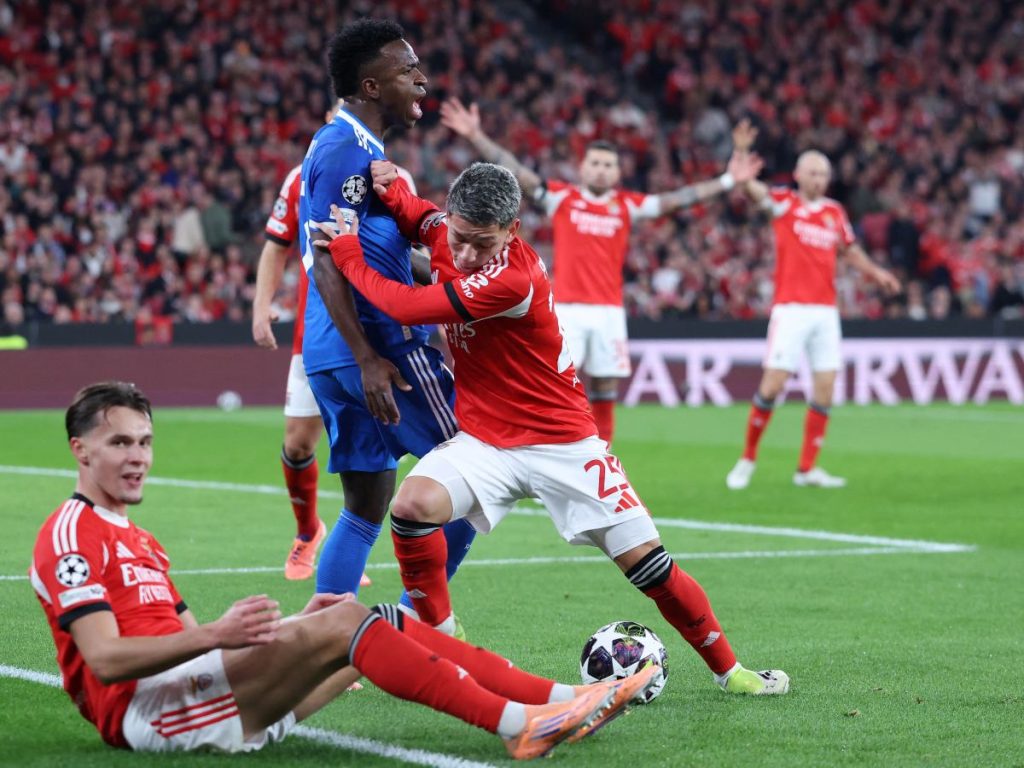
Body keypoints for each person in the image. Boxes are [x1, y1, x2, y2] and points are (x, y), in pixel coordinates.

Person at [313, 160, 789, 696]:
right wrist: (394, 192)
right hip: (486, 442)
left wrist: (348, 251)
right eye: (460, 238)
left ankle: (734, 673)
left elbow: (408, 303)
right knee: (411, 508)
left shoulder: (513, 277)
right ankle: (442, 633)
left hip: (563, 442)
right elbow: (423, 219)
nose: (466, 254)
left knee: (650, 567)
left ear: (512, 231)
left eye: (482, 244)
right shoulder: (450, 233)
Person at [29, 381, 658, 758]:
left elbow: (190, 641)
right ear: (79, 450)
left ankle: (561, 699)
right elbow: (106, 661)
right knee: (349, 625)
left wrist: (280, 635)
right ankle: (519, 726)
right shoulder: (68, 535)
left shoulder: (141, 540)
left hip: (199, 691)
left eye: (143, 442)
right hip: (146, 715)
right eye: (120, 444)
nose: (138, 457)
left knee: (367, 618)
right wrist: (221, 635)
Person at [441, 99, 763, 447]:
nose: (600, 169)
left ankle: (603, 459)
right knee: (555, 386)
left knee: (606, 387)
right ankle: (543, 451)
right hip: (568, 312)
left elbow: (679, 199)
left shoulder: (626, 205)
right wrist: (476, 136)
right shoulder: (562, 198)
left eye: (608, 165)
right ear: (583, 167)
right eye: (595, 163)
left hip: (609, 313)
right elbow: (517, 171)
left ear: (617, 172)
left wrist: (730, 179)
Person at [298, 20, 476, 604]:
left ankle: (327, 643)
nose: (422, 79)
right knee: (478, 475)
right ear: (371, 87)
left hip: (333, 355)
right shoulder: (345, 149)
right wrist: (368, 357)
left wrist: (461, 284)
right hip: (381, 351)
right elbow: (327, 259)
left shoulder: (354, 148)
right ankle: (412, 621)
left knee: (364, 508)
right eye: (408, 69)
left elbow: (373, 252)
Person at [252, 100, 419, 583]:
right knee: (299, 443)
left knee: (388, 463)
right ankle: (309, 533)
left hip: (376, 337)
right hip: (319, 338)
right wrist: (262, 306)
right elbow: (275, 245)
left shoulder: (394, 176)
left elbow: (408, 249)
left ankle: (355, 560)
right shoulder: (303, 174)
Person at [724, 126, 901, 491]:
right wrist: (741, 158)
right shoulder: (785, 204)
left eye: (824, 174)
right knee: (772, 385)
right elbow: (753, 189)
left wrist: (876, 273)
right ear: (799, 175)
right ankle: (748, 458)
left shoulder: (835, 212)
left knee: (825, 389)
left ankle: (807, 469)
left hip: (825, 312)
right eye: (813, 173)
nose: (819, 179)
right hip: (791, 309)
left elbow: (850, 250)